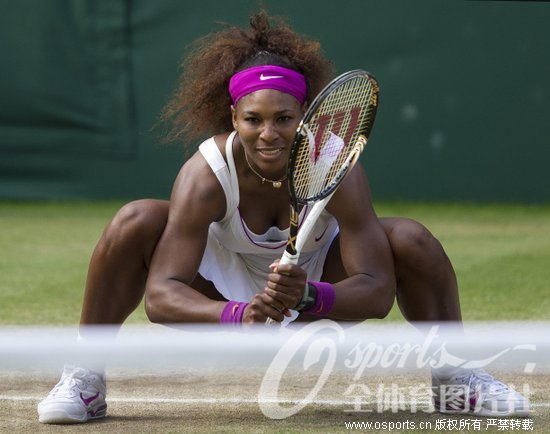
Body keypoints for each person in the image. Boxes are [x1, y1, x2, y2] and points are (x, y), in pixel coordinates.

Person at [37, 10, 529, 424]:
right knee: (135, 219)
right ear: (234, 117)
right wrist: (237, 313)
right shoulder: (206, 173)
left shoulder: (336, 163)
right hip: (224, 287)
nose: (268, 133)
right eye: (253, 119)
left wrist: (312, 295)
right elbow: (162, 297)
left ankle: (456, 377)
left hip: (316, 283)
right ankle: (85, 376)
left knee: (411, 238)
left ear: (305, 115)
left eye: (284, 118)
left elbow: (377, 290)